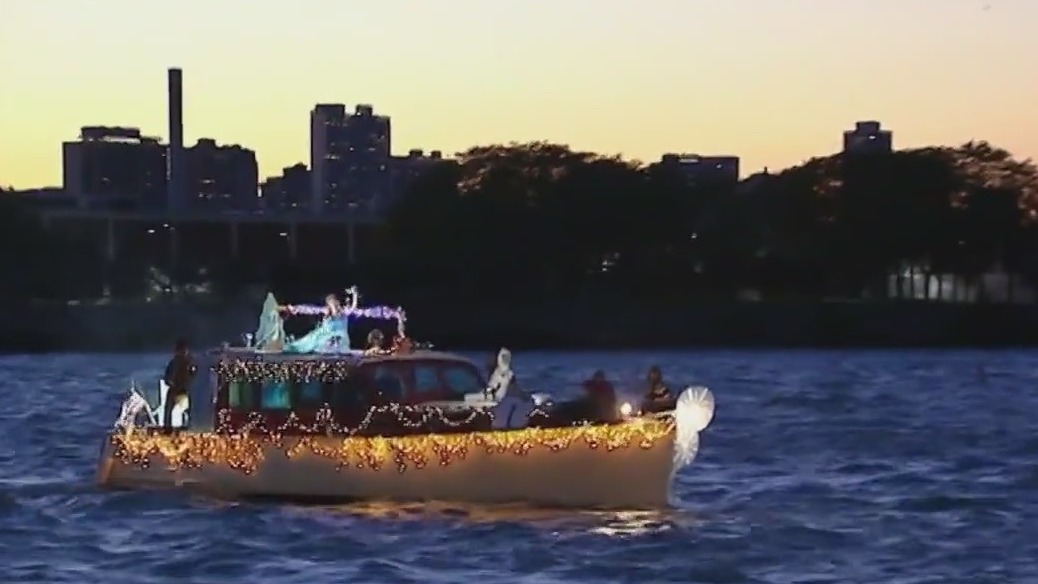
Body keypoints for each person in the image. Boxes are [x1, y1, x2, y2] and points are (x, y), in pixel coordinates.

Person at [279, 293, 352, 353]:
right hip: (326, 333)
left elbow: (350, 309)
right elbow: (311, 309)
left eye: (333, 302)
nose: (332, 304)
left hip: (335, 334)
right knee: (311, 340)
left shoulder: (342, 312)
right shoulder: (327, 311)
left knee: (329, 340)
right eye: (330, 302)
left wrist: (354, 296)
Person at [162, 339, 196, 427]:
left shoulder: (191, 362)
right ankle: (167, 427)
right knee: (168, 408)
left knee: (192, 406)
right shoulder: (173, 363)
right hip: (175, 389)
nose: (182, 353)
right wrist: (170, 383)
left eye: (184, 350)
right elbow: (167, 378)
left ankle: (191, 424)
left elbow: (195, 376)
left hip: (187, 390)